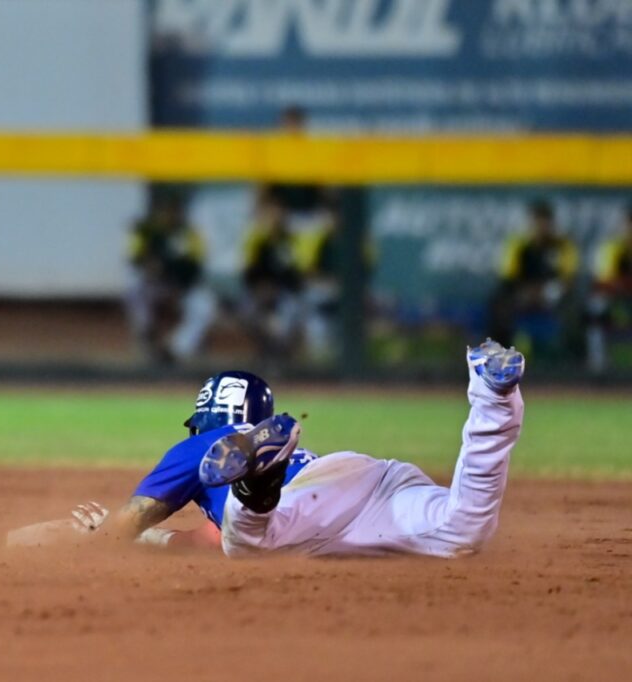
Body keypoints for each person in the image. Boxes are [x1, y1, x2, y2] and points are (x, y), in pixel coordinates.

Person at [58, 338, 524, 559]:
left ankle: (259, 482)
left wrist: (102, 535)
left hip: (297, 504)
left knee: (249, 544)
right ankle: (493, 396)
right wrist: (151, 540)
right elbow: (207, 541)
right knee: (463, 529)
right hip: (364, 480)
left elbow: (126, 524)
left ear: (203, 419)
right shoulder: (249, 450)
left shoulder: (198, 447)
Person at [125, 191, 217, 364]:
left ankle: (175, 349)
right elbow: (133, 260)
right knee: (134, 290)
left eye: (174, 210)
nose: (169, 215)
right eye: (164, 210)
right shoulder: (145, 232)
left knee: (204, 307)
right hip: (154, 286)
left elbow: (196, 268)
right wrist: (148, 264)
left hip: (182, 288)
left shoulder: (190, 234)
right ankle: (147, 335)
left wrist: (177, 285)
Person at [488, 200, 578, 359]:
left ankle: (570, 357)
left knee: (573, 307)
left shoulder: (562, 245)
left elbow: (568, 280)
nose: (540, 227)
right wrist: (527, 292)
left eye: (545, 222)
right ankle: (501, 356)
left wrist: (545, 292)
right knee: (498, 303)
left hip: (552, 294)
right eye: (537, 222)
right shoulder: (518, 245)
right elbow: (508, 278)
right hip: (523, 293)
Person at [240, 190, 305, 362]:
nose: (275, 217)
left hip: (286, 295)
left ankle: (280, 359)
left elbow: (298, 276)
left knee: (289, 312)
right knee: (249, 310)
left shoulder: (292, 240)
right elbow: (248, 274)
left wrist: (277, 289)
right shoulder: (256, 240)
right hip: (258, 295)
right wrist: (261, 289)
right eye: (270, 213)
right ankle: (269, 357)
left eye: (279, 212)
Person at [586, 206, 632, 374]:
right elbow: (604, 283)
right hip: (616, 300)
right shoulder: (613, 248)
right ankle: (598, 364)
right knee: (596, 307)